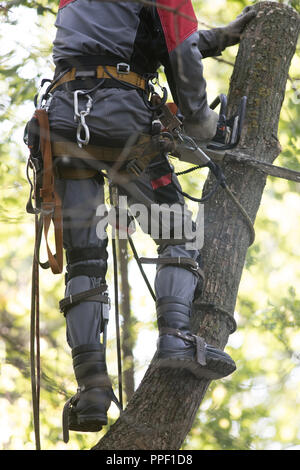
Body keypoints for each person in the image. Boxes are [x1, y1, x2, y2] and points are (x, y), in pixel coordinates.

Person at [46, 0, 256, 436]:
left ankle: (91, 392)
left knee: (85, 259)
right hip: (119, 117)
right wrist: (204, 124)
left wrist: (223, 36)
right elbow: (179, 54)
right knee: (177, 231)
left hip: (64, 118)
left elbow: (147, 41)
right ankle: (176, 338)